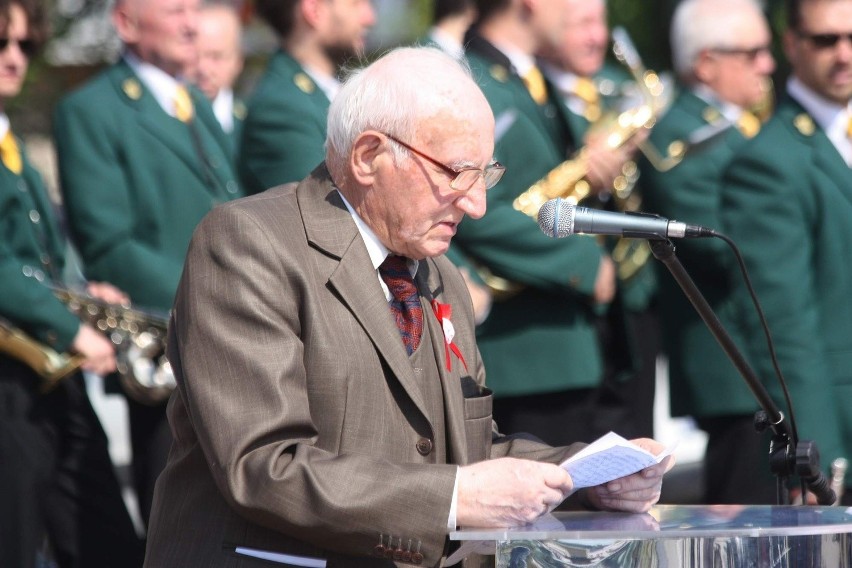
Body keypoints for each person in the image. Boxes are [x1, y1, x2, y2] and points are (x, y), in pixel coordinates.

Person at [143, 46, 673, 567]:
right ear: (369, 156)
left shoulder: (436, 271)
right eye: (456, 172)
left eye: (485, 174)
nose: (476, 203)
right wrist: (453, 499)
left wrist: (584, 474)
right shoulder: (247, 243)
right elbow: (264, 466)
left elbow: (464, 449)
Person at [53, 0, 243, 527]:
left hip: (227, 340)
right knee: (182, 526)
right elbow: (109, 245)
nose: (191, 23)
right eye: (174, 10)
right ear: (126, 23)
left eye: (194, 9)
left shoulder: (191, 102)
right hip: (167, 349)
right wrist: (218, 302)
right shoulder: (91, 109)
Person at [0, 1, 146, 565]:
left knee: (107, 542)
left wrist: (83, 299)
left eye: (25, 45)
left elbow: (36, 259)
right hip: (12, 386)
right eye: (1, 43)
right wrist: (72, 327)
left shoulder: (10, 137)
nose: (14, 58)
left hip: (48, 375)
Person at [451, 0, 616, 446]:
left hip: (566, 344)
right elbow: (475, 205)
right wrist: (582, 261)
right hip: (527, 354)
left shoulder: (528, 76)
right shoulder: (478, 82)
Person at [637, 0, 777, 504]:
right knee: (743, 518)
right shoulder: (679, 131)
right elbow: (718, 245)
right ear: (705, 63)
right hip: (732, 362)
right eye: (753, 52)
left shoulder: (738, 124)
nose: (768, 63)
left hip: (760, 351)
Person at [720, 0, 852, 504]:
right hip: (838, 433)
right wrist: (819, 461)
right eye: (825, 40)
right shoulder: (769, 161)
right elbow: (783, 327)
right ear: (792, 44)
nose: (843, 54)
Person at [537, 0, 658, 440]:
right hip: (572, 306)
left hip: (633, 302)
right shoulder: (536, 95)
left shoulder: (613, 89)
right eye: (581, 23)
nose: (597, 37)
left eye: (600, 22)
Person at [238, 0, 375, 195]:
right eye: (356, 4)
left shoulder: (328, 89)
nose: (369, 18)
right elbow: (320, 211)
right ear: (314, 11)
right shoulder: (281, 108)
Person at [195, 1, 246, 155]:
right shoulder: (168, 118)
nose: (203, 69)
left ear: (238, 62)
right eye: (195, 56)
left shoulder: (251, 123)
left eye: (216, 57)